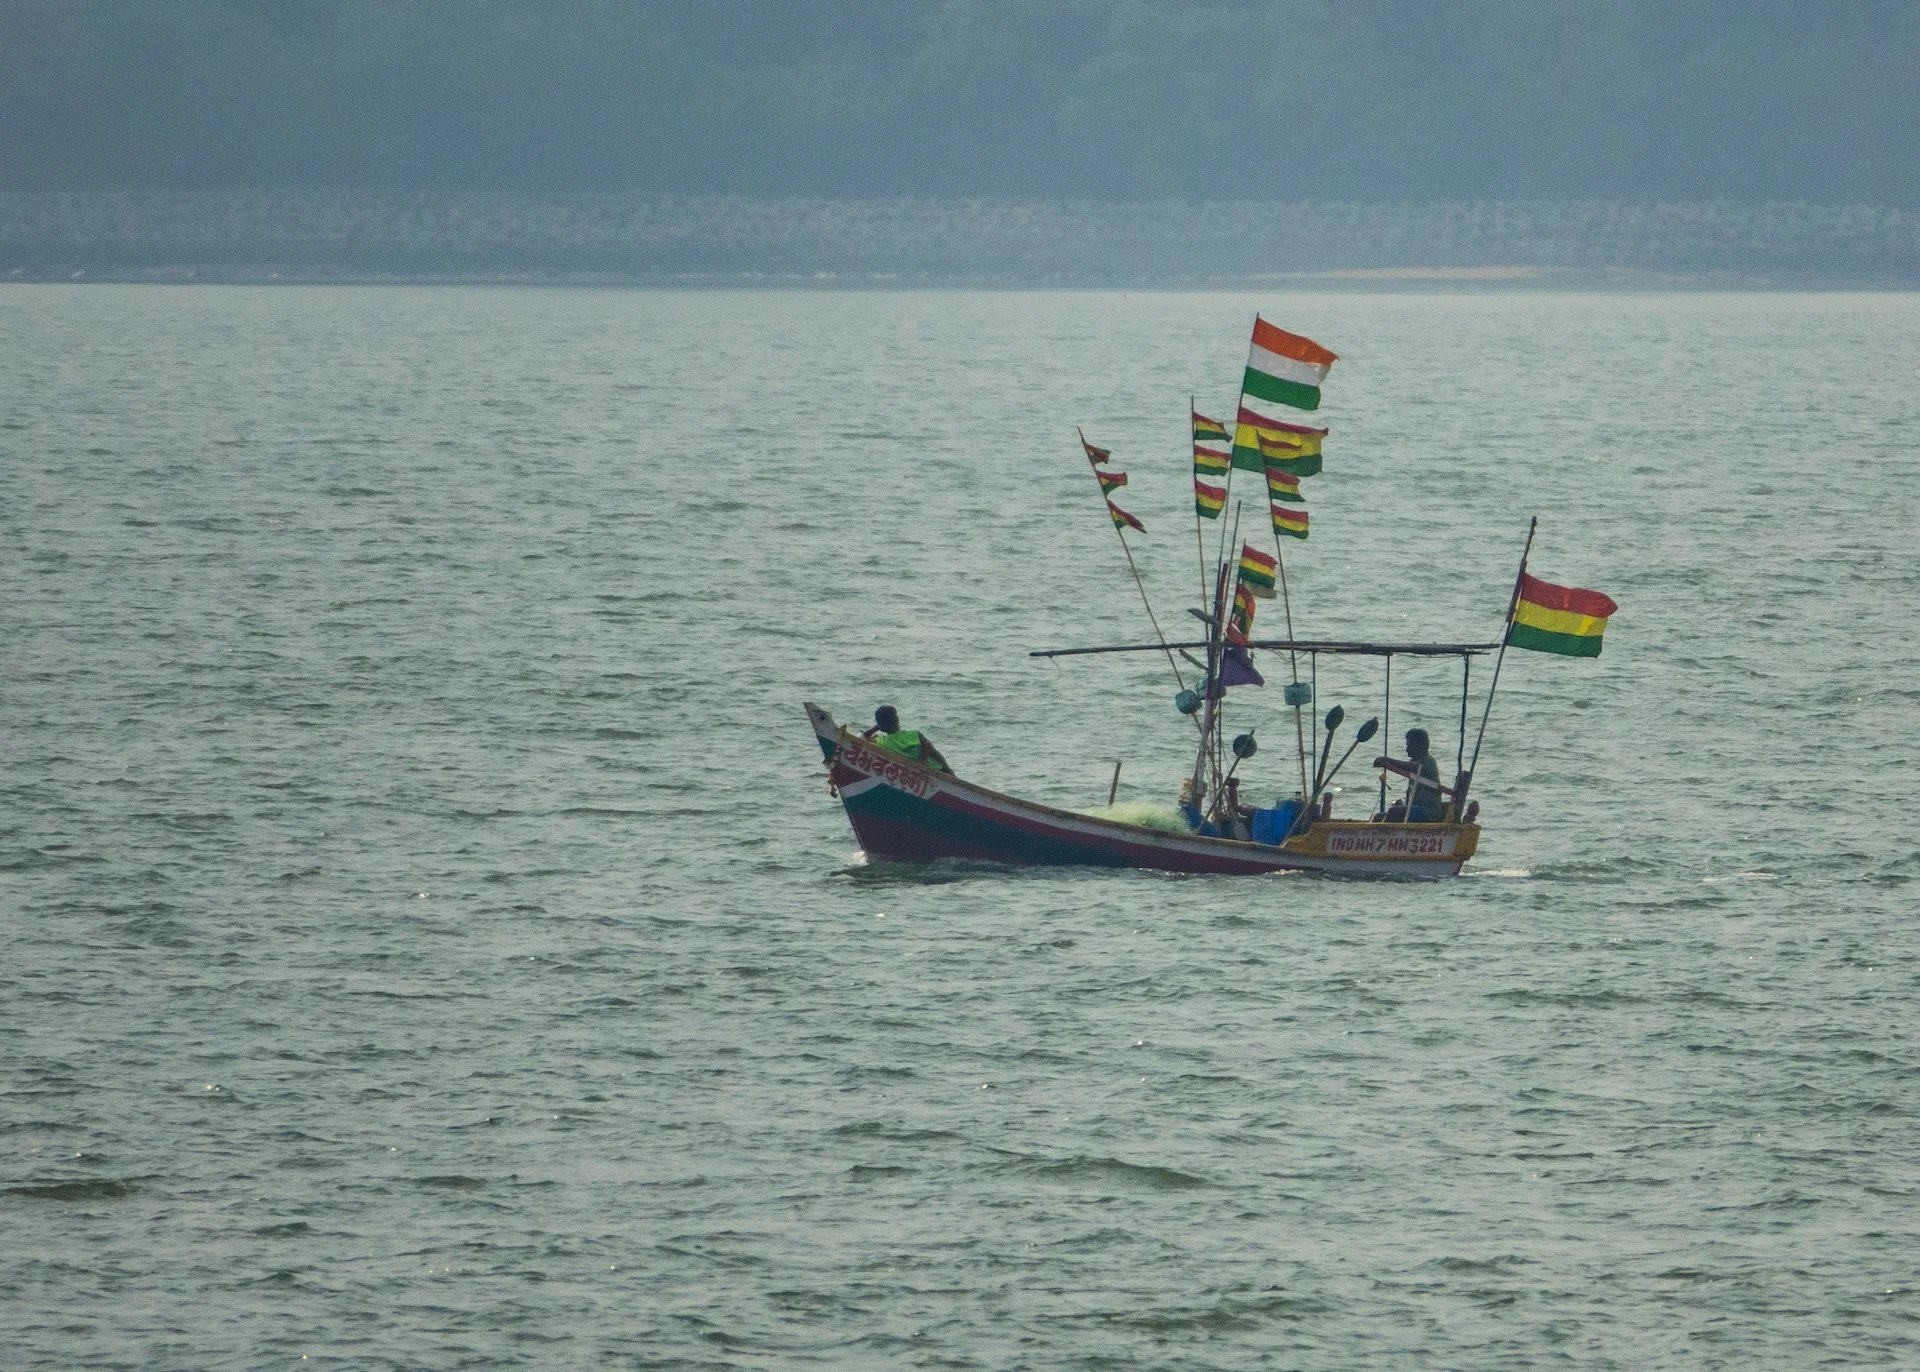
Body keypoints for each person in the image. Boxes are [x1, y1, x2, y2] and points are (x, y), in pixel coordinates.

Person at [862, 704, 952, 773]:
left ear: (880, 726)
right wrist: (950, 771)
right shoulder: (915, 735)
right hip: (936, 770)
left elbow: (861, 738)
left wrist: (875, 728)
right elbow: (935, 753)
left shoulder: (880, 742)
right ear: (897, 720)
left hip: (910, 777)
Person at [1404, 727, 1447, 823]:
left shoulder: (1428, 761)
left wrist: (1387, 760)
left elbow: (1414, 767)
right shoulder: (1413, 761)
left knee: (1395, 812)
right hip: (1416, 808)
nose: (1407, 749)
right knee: (1384, 815)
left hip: (1429, 812)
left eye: (1410, 746)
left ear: (1420, 747)